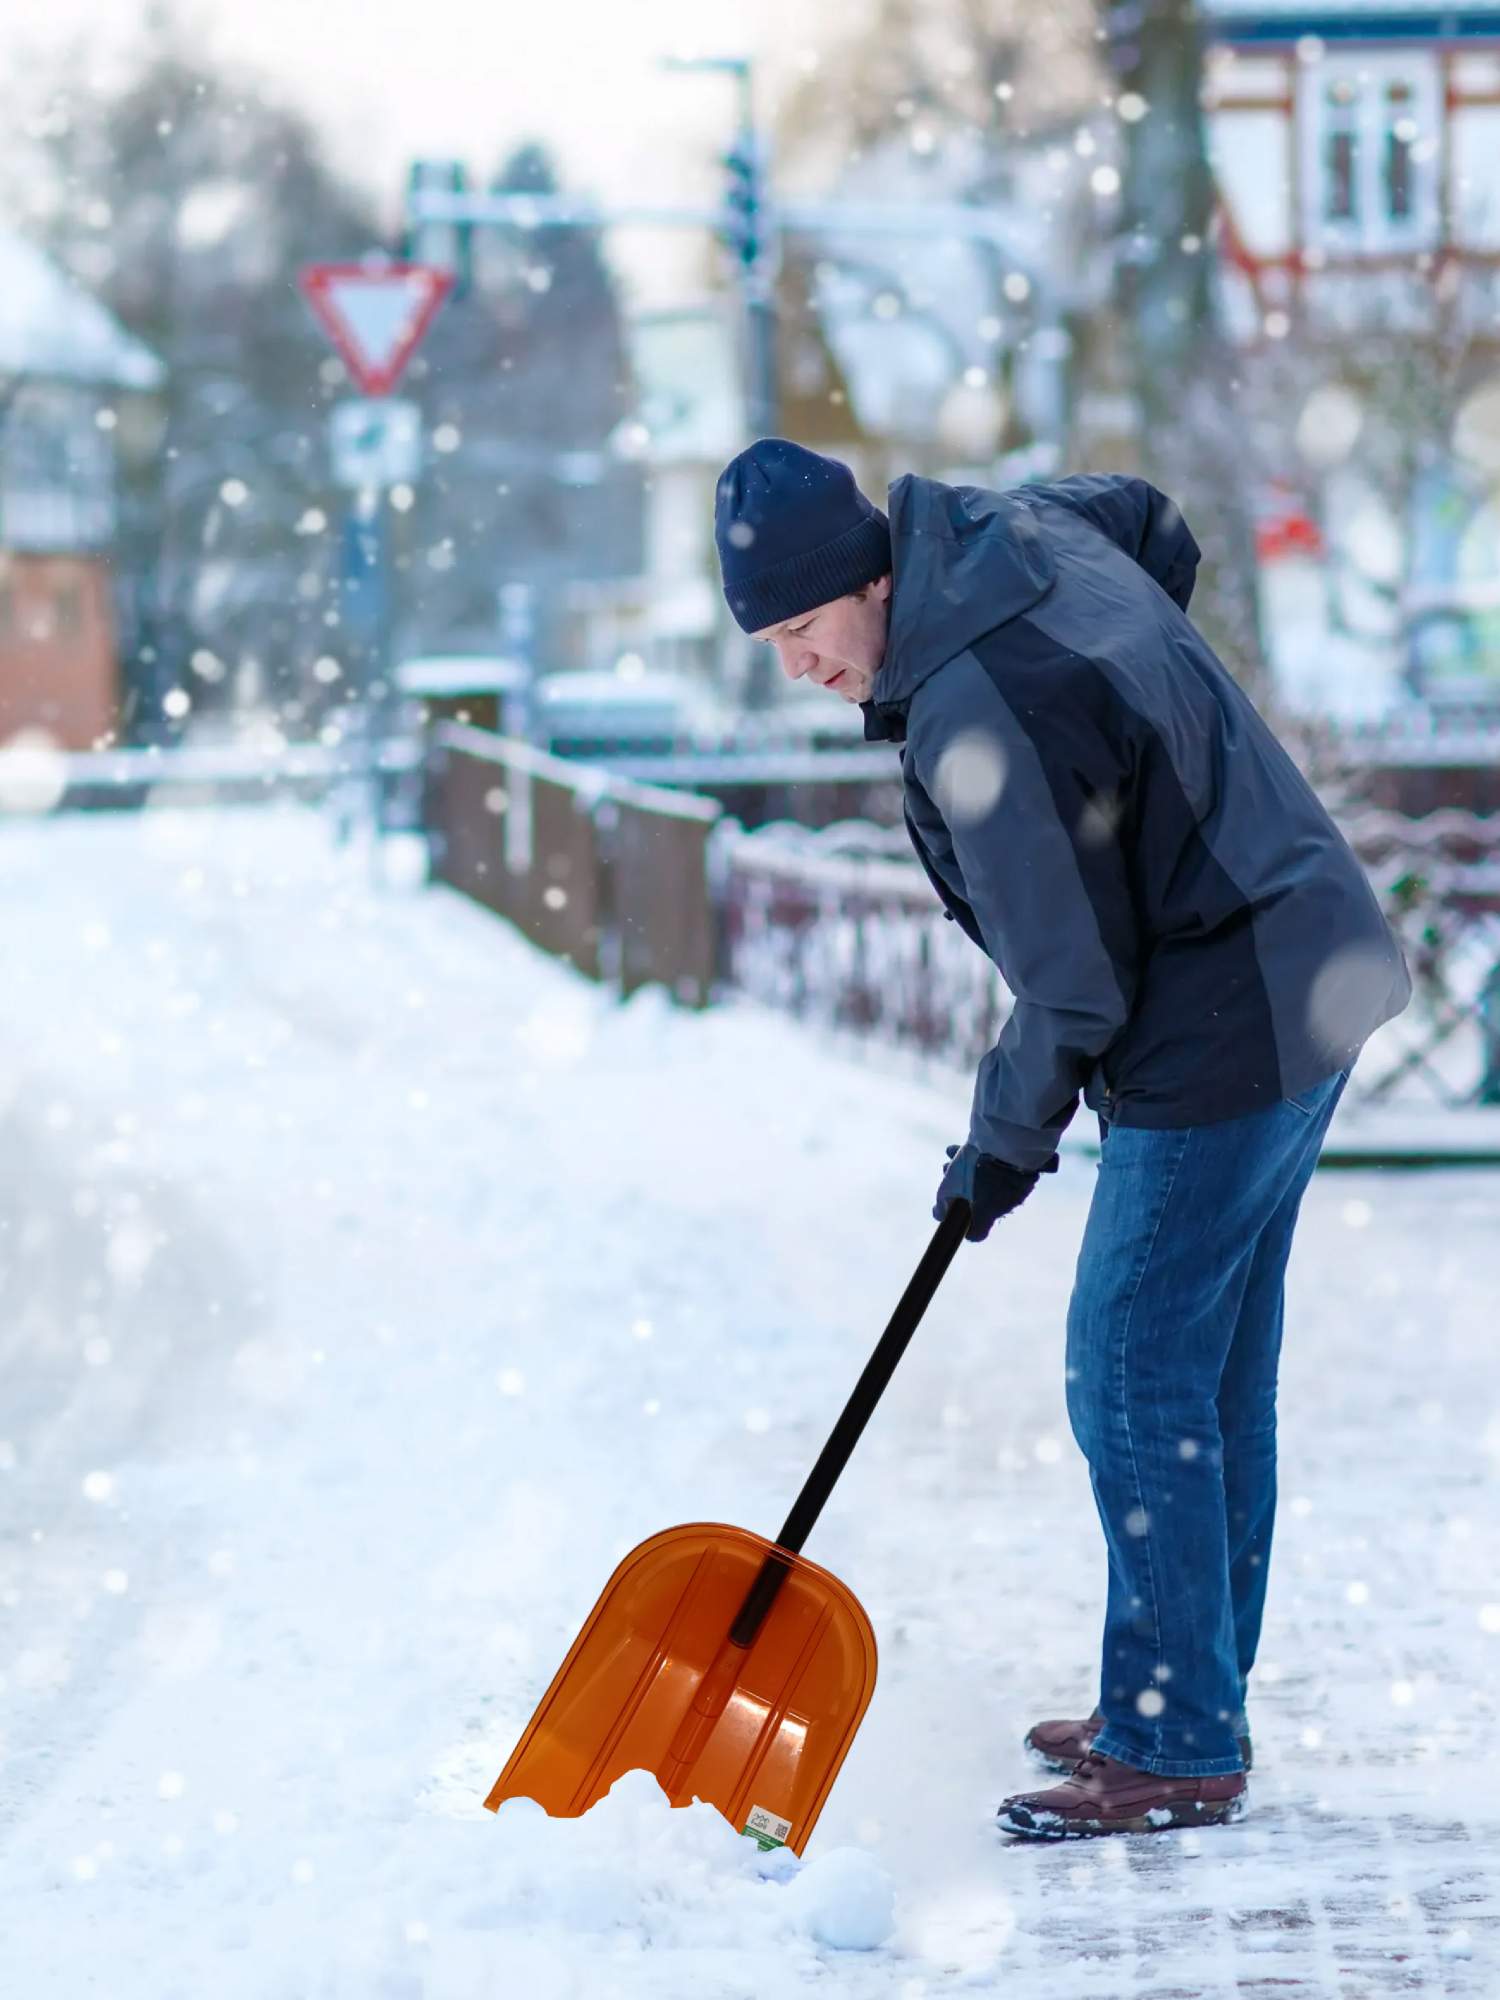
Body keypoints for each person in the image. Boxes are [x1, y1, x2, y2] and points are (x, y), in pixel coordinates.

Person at [713, 437, 1411, 1840]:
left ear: (869, 579)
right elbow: (1149, 521)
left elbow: (1074, 983)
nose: (796, 666)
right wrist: (1152, 728)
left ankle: (1175, 1736)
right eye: (771, 642)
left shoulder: (986, 705)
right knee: (1205, 1378)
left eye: (802, 629)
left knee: (1132, 1370)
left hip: (1225, 1022)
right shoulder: (1008, 541)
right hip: (1301, 963)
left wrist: (998, 1147)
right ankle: (1187, 1693)